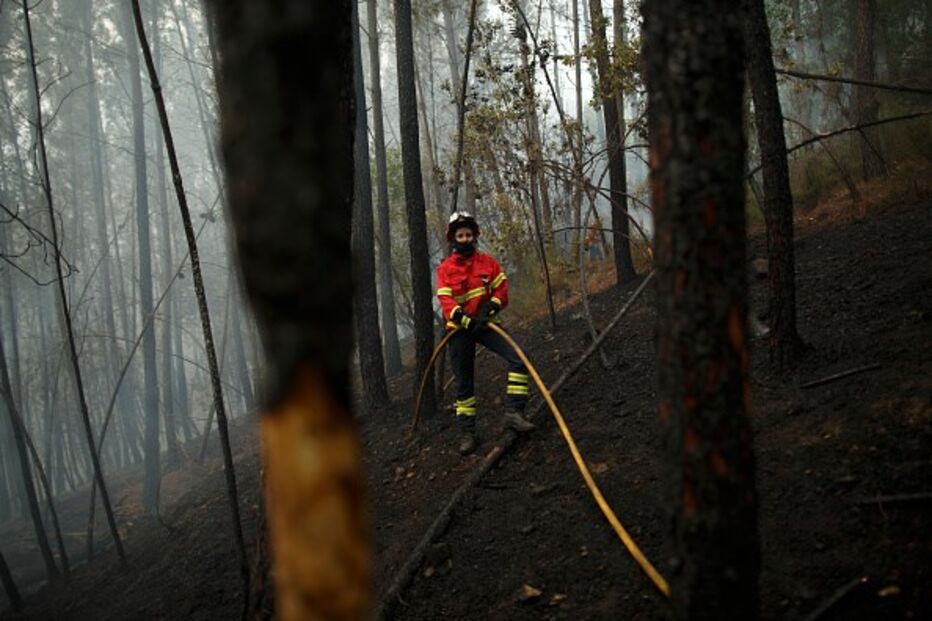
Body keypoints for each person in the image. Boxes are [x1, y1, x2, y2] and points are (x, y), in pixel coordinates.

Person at [436, 212, 536, 455]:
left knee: (519, 358)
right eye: (461, 235)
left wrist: (491, 306)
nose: (465, 239)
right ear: (453, 239)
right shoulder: (445, 269)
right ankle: (467, 433)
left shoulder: (488, 263)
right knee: (464, 384)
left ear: (475, 236)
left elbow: (502, 289)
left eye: (468, 234)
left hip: (486, 325)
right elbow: (446, 301)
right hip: (459, 332)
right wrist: (464, 319)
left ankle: (514, 412)